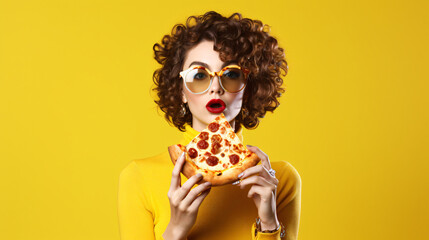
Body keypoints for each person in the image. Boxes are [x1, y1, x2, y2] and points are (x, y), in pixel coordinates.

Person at [118, 11, 302, 240]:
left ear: (249, 88)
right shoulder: (138, 177)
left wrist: (268, 223)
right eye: (199, 75)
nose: (216, 87)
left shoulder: (280, 179)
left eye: (231, 74)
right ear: (181, 91)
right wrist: (175, 230)